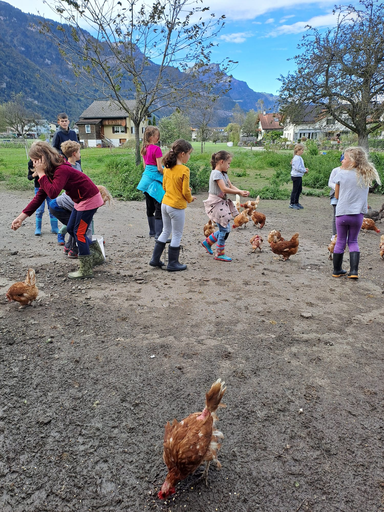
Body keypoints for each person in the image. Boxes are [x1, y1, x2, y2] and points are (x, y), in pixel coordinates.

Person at [11, 141, 105, 279]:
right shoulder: (51, 171)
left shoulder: (61, 169)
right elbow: (39, 197)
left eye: (35, 160)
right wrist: (20, 217)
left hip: (89, 199)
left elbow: (53, 193)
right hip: (80, 200)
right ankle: (96, 256)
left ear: (43, 158)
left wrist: (41, 174)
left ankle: (86, 269)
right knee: (72, 228)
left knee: (79, 233)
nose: (33, 164)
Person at [332, 146, 381, 279]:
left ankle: (337, 270)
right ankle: (354, 271)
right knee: (353, 241)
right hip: (357, 215)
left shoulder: (340, 174)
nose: (342, 160)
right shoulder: (366, 175)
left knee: (340, 240)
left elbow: (336, 196)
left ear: (352, 161)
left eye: (345, 158)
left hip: (342, 213)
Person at [149, 139, 196, 271]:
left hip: (165, 203)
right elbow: (185, 191)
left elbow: (165, 185)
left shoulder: (167, 167)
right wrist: (190, 198)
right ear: (182, 154)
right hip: (176, 206)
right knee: (176, 234)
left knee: (165, 231)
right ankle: (173, 263)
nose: (189, 156)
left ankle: (155, 259)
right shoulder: (184, 170)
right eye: (189, 153)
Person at [201, 151, 249, 262]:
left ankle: (208, 242)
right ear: (221, 162)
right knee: (225, 229)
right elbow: (224, 189)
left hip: (221, 204)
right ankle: (219, 253)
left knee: (225, 228)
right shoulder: (216, 173)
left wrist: (240, 191)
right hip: (216, 203)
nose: (229, 166)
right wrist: (239, 193)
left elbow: (230, 186)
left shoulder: (223, 174)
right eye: (228, 163)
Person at [48, 140, 93, 259]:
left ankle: (69, 246)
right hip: (69, 202)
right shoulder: (67, 168)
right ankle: (79, 250)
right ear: (74, 153)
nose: (80, 154)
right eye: (79, 151)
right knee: (79, 226)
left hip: (76, 200)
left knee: (74, 225)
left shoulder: (77, 165)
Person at [137, 126, 165, 239]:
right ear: (152, 137)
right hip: (155, 180)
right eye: (157, 135)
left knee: (149, 206)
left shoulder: (144, 148)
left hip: (145, 180)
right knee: (159, 203)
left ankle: (152, 232)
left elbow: (145, 166)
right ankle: (159, 234)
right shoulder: (156, 149)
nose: (158, 137)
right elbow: (159, 168)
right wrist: (167, 173)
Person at [27, 159, 59, 236]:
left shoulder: (48, 160)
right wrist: (34, 174)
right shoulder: (31, 163)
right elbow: (29, 177)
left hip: (50, 187)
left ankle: (54, 228)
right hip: (38, 187)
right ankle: (38, 228)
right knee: (39, 209)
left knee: (52, 207)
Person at [289, 143, 308, 210]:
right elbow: (298, 168)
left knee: (299, 189)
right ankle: (292, 203)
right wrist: (304, 170)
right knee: (295, 190)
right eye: (301, 150)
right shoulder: (297, 158)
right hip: (296, 176)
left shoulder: (299, 158)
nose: (302, 151)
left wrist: (304, 169)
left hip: (298, 176)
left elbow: (300, 167)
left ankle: (296, 202)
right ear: (298, 150)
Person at [328, 165, 341, 240]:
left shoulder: (352, 171)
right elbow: (330, 183)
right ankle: (334, 234)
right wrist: (337, 187)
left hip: (346, 197)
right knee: (336, 215)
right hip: (335, 195)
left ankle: (344, 235)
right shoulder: (335, 170)